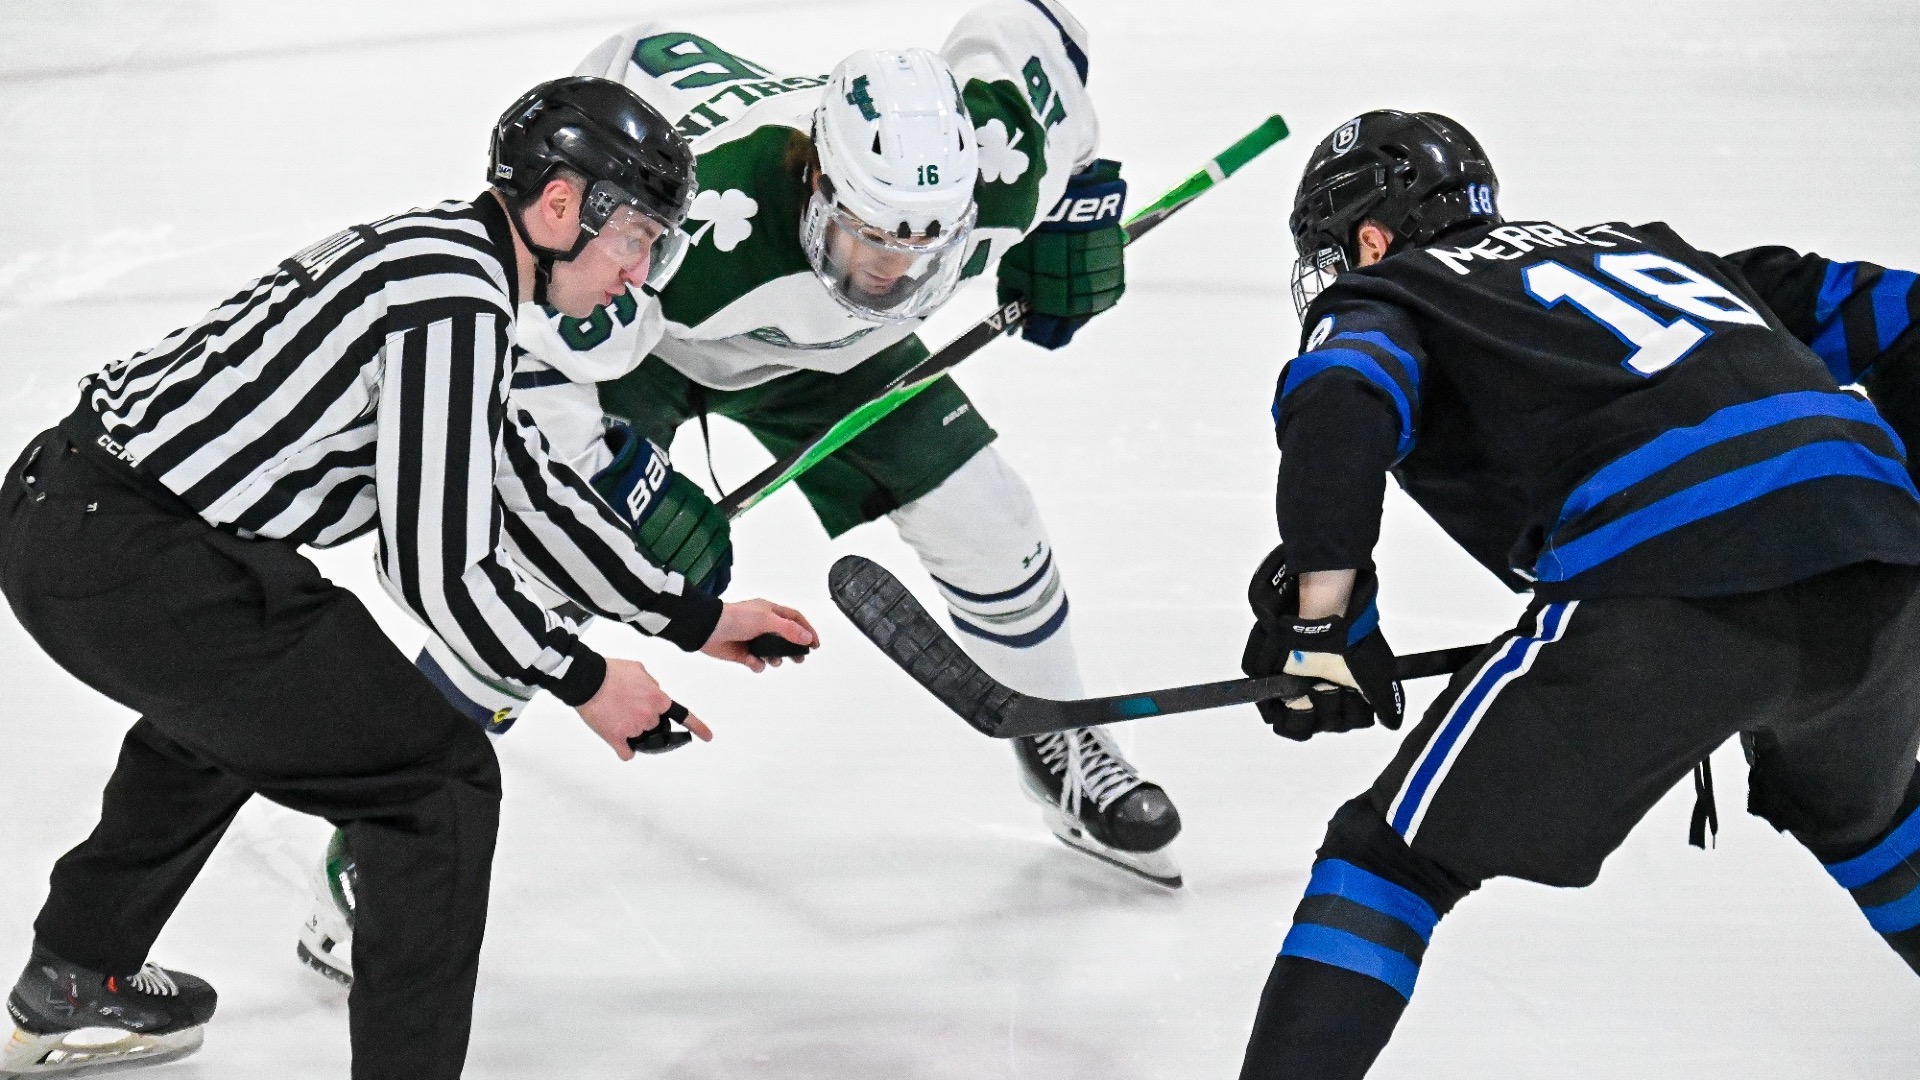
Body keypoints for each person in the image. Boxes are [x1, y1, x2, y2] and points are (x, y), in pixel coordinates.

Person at [0, 76, 813, 1080]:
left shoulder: (450, 266)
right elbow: (440, 571)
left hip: (81, 522)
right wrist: (587, 679)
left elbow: (522, 477)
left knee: (240, 700)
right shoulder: (450, 302)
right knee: (437, 784)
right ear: (561, 206)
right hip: (126, 553)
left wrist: (693, 618)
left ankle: (79, 973)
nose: (639, 274)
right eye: (637, 238)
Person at [313, 0, 1184, 912]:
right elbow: (529, 366)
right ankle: (391, 822)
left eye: (929, 250)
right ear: (816, 185)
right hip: (642, 340)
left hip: (822, 355)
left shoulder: (999, 151)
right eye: (870, 242)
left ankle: (1065, 744)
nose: (893, 278)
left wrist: (1082, 203)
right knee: (545, 567)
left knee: (991, 520)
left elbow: (1037, 27)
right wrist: (622, 479)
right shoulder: (690, 228)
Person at [1233, 110, 1920, 1079]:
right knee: (1880, 829)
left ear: (1372, 237)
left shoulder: (1397, 291)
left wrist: (1322, 621)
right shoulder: (1666, 256)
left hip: (1673, 585)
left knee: (1387, 862)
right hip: (1885, 561)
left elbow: (1342, 399)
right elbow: (1905, 309)